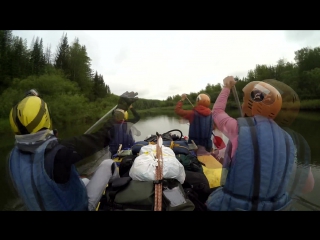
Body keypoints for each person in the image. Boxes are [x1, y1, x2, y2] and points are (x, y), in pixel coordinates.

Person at [7, 90, 138, 211]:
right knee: (109, 164)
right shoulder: (59, 152)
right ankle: (119, 189)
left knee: (85, 181)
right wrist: (121, 109)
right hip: (79, 208)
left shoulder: (12, 157)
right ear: (45, 118)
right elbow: (101, 138)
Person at [206, 76, 314, 211]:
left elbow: (216, 112)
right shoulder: (289, 140)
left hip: (235, 206)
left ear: (249, 104)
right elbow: (308, 186)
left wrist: (226, 87)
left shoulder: (238, 128)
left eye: (245, 100)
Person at [175, 93, 222, 189]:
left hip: (194, 145)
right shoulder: (211, 114)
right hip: (207, 145)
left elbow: (178, 110)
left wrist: (182, 99)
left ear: (198, 101)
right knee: (206, 162)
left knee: (194, 162)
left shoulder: (192, 113)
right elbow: (213, 127)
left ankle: (199, 178)